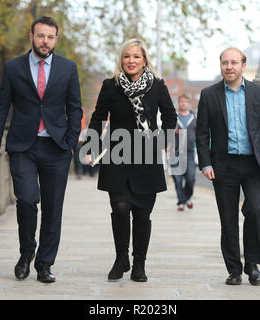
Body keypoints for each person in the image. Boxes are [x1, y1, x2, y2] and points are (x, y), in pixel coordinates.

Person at [0, 16, 82, 283]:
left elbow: (75, 107)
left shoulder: (67, 68)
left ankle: (44, 264)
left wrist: (71, 141)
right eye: (41, 36)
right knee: (27, 200)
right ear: (32, 37)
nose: (45, 41)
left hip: (56, 148)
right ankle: (26, 251)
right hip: (22, 147)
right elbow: (1, 106)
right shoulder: (13, 67)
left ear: (56, 39)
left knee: (53, 208)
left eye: (50, 37)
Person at [83, 39, 177, 282]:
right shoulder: (110, 86)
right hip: (117, 155)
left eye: (136, 56)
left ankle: (139, 265)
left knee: (142, 214)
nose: (131, 61)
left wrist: (162, 142)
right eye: (127, 56)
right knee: (120, 208)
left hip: (147, 156)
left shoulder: (157, 86)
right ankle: (120, 257)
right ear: (121, 60)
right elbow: (98, 117)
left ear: (144, 59)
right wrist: (92, 146)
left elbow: (170, 116)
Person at [196, 47, 260, 286]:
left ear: (243, 65)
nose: (229, 67)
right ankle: (234, 270)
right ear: (221, 66)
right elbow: (201, 134)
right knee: (228, 219)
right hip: (223, 166)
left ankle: (252, 265)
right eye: (225, 62)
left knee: (255, 210)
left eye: (234, 62)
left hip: (253, 164)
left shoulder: (259, 93)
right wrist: (205, 163)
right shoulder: (209, 95)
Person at [171, 94, 197, 211]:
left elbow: (201, 135)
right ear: (178, 103)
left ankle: (187, 197)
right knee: (177, 179)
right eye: (181, 101)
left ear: (188, 103)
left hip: (190, 153)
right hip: (175, 153)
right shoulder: (173, 118)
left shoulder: (194, 118)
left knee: (190, 178)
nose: (183, 104)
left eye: (185, 102)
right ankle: (181, 202)